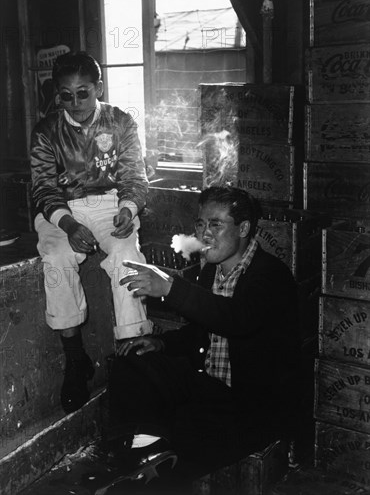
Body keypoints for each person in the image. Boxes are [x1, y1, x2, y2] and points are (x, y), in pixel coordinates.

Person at [105, 185, 301, 490]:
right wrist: (162, 343)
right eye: (200, 224)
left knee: (183, 435)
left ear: (244, 228)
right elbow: (202, 330)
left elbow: (237, 319)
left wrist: (172, 288)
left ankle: (150, 464)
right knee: (131, 360)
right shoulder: (211, 271)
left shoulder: (271, 275)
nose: (204, 234)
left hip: (249, 408)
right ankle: (143, 456)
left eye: (216, 224)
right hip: (209, 389)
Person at [30, 51, 152, 415]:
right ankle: (74, 359)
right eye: (66, 95)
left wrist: (128, 211)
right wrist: (67, 224)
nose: (76, 102)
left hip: (110, 204)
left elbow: (134, 176)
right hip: (59, 212)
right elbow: (43, 189)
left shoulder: (120, 122)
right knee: (56, 258)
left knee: (124, 257)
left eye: (83, 92)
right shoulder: (46, 130)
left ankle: (133, 355)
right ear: (57, 95)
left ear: (98, 87)